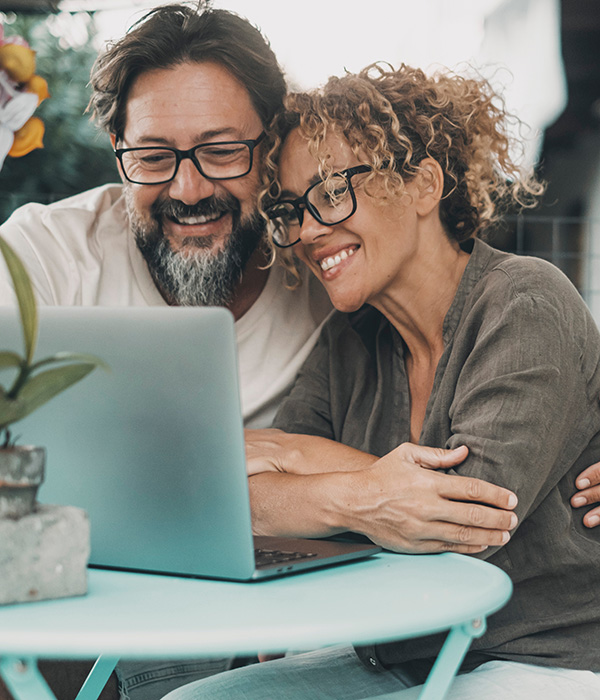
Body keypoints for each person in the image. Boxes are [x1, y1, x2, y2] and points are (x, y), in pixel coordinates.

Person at [0, 5, 531, 700]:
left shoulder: (332, 270)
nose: (188, 190)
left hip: (274, 625)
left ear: (271, 148)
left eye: (222, 152)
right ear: (117, 149)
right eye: (154, 157)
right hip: (73, 599)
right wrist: (360, 491)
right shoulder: (43, 253)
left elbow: (502, 361)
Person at [162, 63, 600, 699]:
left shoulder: (523, 300)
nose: (308, 230)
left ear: (423, 185)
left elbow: (465, 519)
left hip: (540, 657)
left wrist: (295, 455)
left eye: (332, 191)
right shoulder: (352, 339)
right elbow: (247, 510)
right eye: (292, 208)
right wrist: (358, 496)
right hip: (399, 653)